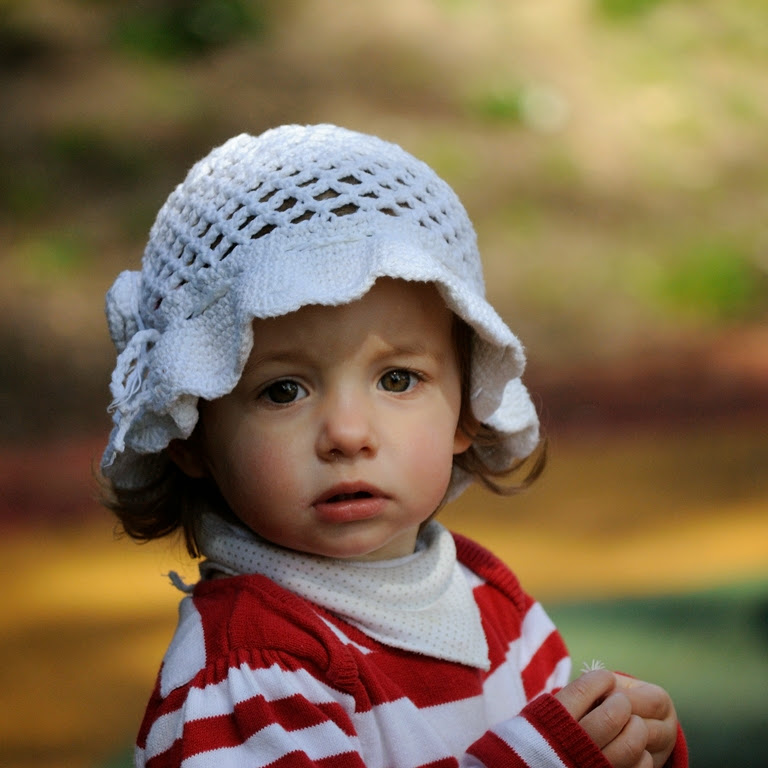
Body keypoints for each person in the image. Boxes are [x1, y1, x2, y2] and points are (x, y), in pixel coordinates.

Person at [100, 124, 687, 768]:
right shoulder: (246, 669)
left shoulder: (492, 600)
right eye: (283, 391)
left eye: (398, 379)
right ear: (191, 435)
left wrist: (628, 747)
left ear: (467, 408)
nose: (348, 434)